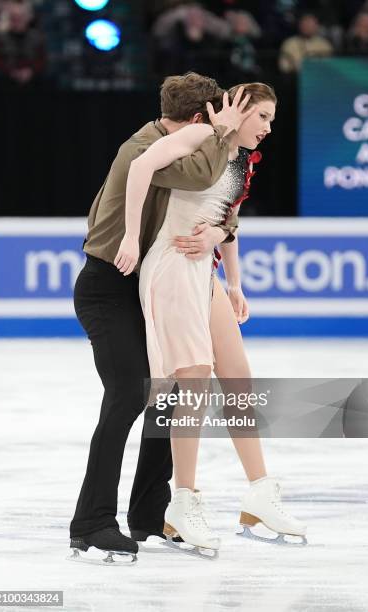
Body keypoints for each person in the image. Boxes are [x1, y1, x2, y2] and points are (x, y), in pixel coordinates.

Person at [117, 82, 307, 553]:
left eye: (271, 120)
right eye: (262, 116)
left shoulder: (240, 160)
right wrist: (130, 237)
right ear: (238, 111)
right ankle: (182, 500)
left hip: (204, 268)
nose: (267, 128)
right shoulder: (202, 137)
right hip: (171, 260)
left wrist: (236, 282)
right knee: (195, 379)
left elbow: (227, 219)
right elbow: (140, 167)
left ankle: (260, 490)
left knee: (238, 374)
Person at [68, 72, 244, 563]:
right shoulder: (146, 150)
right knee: (129, 391)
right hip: (108, 287)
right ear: (196, 119)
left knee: (171, 390)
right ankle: (91, 522)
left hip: (144, 286)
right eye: (210, 122)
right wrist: (223, 136)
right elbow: (203, 178)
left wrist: (220, 235)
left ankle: (150, 515)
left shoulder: (174, 144)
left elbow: (216, 202)